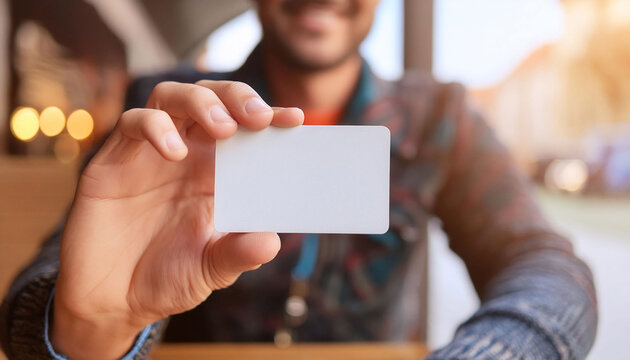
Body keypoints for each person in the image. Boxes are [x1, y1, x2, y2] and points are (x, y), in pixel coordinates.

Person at [0, 1, 597, 359]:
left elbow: (545, 265)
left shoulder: (441, 118)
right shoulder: (163, 113)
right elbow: (54, 282)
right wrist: (88, 327)